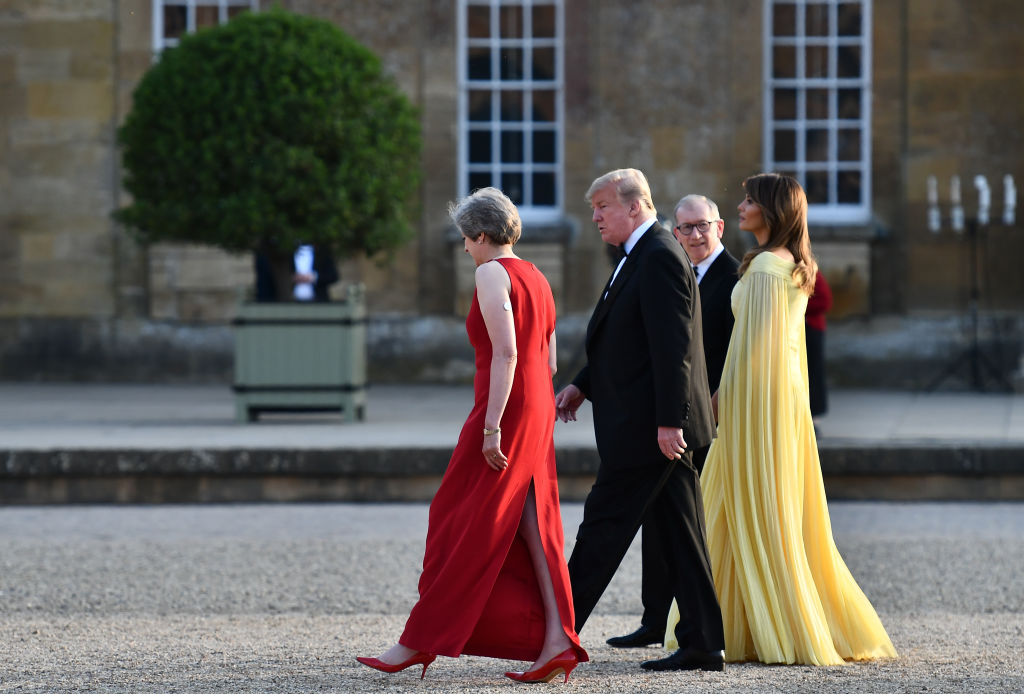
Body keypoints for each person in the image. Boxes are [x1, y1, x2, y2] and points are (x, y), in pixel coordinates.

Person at [356, 187, 587, 683]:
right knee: (529, 521)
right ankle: (555, 641)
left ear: (482, 235)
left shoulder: (491, 272)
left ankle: (418, 641)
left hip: (504, 408)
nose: (464, 248)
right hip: (534, 402)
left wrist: (491, 426)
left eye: (466, 238)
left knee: (460, 520)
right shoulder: (537, 276)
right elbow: (546, 359)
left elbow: (505, 354)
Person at [666, 172, 897, 665]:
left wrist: (720, 399)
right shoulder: (781, 262)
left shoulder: (769, 268)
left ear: (772, 212)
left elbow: (757, 352)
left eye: (750, 200)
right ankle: (737, 623)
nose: (742, 205)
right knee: (745, 509)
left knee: (754, 508)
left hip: (758, 407)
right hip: (768, 402)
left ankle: (762, 626)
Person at [554, 169, 725, 673]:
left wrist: (670, 420)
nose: (595, 217)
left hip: (650, 428)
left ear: (634, 206)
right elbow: (625, 339)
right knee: (684, 535)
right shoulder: (640, 254)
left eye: (602, 207)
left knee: (603, 526)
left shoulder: (657, 255)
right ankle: (702, 643)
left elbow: (673, 349)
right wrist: (582, 383)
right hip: (649, 423)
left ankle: (554, 634)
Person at [606, 193, 739, 652]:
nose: (694, 235)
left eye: (702, 225)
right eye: (685, 228)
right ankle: (656, 620)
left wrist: (714, 401)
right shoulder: (669, 265)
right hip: (677, 409)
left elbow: (730, 351)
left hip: (706, 413)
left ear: (719, 227)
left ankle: (698, 632)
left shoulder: (736, 276)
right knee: (662, 523)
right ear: (675, 231)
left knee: (684, 523)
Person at [253, 244, 339, 302]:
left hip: (317, 301)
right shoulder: (283, 250)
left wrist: (312, 277)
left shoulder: (322, 251)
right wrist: (291, 278)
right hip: (289, 301)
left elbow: (333, 275)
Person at [805, 270, 833, 432]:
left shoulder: (809, 271)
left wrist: (798, 305)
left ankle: (814, 417)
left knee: (813, 374)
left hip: (812, 329)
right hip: (802, 328)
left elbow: (825, 301)